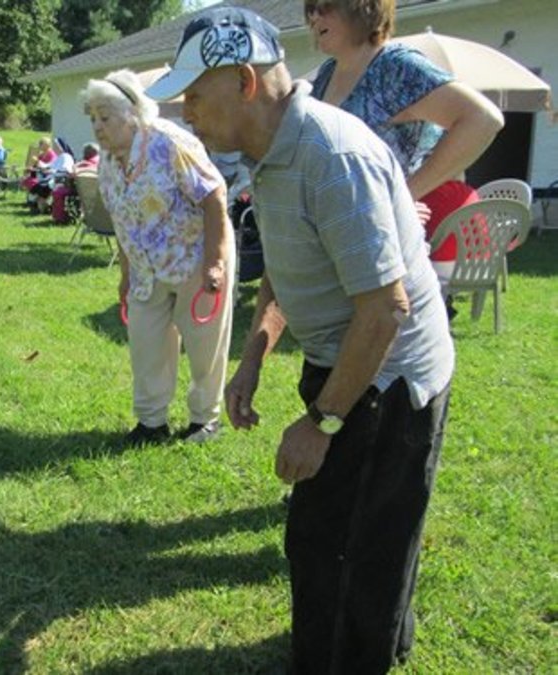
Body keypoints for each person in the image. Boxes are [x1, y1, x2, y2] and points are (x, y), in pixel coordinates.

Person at [147, 6, 454, 672]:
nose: (185, 110)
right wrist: (253, 356)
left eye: (196, 94)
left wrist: (321, 420)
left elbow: (385, 310)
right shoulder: (268, 153)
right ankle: (371, 643)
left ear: (246, 84)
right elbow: (287, 270)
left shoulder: (331, 157)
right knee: (358, 530)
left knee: (339, 538)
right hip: (347, 359)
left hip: (391, 376)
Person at [304, 0, 503, 295]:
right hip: (341, 241)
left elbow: (483, 120)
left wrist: (403, 195)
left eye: (325, 6)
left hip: (390, 247)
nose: (313, 17)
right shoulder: (325, 75)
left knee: (389, 333)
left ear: (363, 9)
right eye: (310, 9)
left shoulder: (394, 67)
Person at [82, 69, 235, 446]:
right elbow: (122, 221)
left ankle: (204, 420)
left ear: (131, 114)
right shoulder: (106, 161)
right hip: (146, 270)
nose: (97, 127)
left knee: (204, 347)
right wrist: (125, 273)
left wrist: (214, 262)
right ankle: (151, 422)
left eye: (105, 118)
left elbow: (214, 196)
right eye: (93, 119)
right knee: (146, 345)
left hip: (194, 260)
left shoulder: (170, 144)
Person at [51, 142, 100, 224]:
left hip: (78, 190)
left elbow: (71, 174)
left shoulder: (81, 164)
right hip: (96, 191)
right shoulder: (101, 163)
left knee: (58, 192)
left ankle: (60, 218)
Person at [30, 137, 74, 214]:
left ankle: (42, 208)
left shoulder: (66, 156)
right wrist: (38, 162)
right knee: (38, 186)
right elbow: (48, 165)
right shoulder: (59, 157)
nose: (55, 148)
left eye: (56, 146)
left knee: (44, 186)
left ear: (60, 147)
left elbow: (65, 170)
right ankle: (40, 207)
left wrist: (51, 171)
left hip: (60, 179)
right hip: (53, 177)